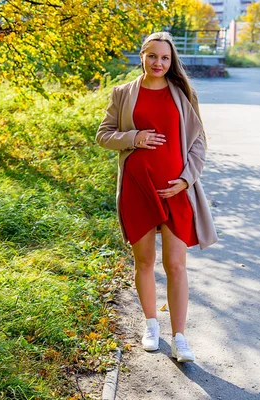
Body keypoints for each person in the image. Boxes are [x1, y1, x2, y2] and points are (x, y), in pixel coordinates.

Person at [95, 32, 218, 363]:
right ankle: (152, 326)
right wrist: (133, 137)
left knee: (176, 264)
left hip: (175, 190)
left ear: (171, 60)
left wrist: (185, 180)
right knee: (145, 262)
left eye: (164, 58)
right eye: (152, 56)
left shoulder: (183, 94)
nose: (158, 63)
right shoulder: (123, 94)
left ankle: (180, 338)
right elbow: (103, 135)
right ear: (142, 56)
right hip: (137, 190)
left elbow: (198, 143)